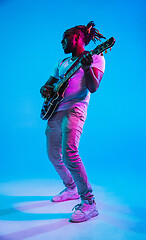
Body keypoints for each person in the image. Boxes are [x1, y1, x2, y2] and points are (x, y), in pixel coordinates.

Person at [40, 21, 106, 223]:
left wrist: (87, 69)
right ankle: (70, 188)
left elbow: (93, 87)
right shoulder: (62, 63)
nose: (62, 43)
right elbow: (46, 86)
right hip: (55, 111)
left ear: (76, 38)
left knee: (69, 153)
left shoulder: (96, 57)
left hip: (75, 109)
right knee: (53, 155)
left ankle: (89, 202)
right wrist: (45, 90)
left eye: (65, 39)